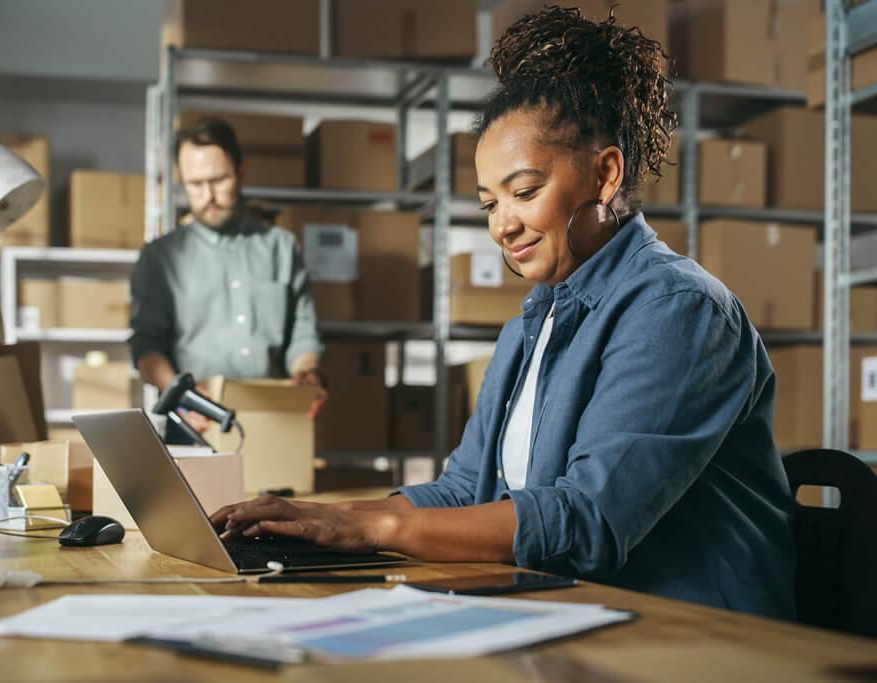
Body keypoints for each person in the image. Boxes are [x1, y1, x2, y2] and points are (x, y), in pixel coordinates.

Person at [209, 7, 797, 620]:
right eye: (489, 203)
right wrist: (319, 517)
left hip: (697, 635)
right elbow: (466, 490)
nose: (502, 225)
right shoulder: (532, 322)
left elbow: (587, 521)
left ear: (606, 174)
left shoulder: (679, 310)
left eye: (524, 192)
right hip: (579, 612)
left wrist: (369, 529)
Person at [129, 117, 326, 437]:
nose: (208, 195)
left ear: (240, 173)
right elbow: (146, 347)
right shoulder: (159, 258)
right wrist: (183, 395)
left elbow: (303, 335)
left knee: (281, 490)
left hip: (274, 419)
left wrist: (307, 373)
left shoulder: (282, 248)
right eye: (195, 184)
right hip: (196, 424)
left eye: (218, 180)